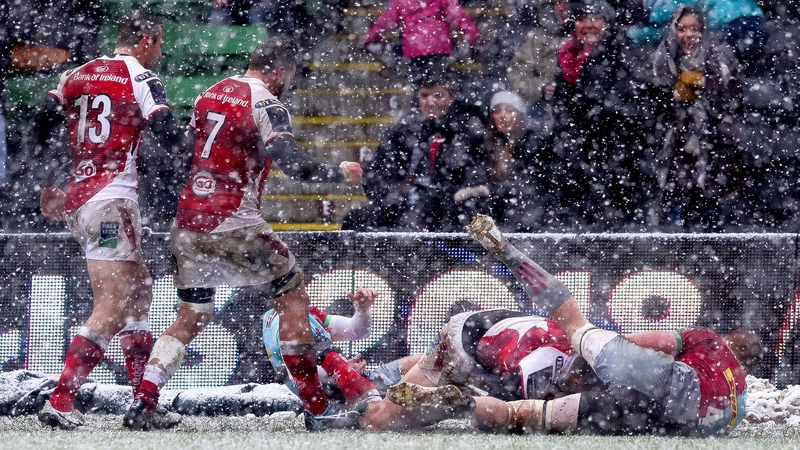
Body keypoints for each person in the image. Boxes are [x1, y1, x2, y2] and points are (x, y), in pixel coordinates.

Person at [123, 37, 366, 432]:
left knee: (190, 316)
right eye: (289, 75)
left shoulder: (210, 93)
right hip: (235, 222)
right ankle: (318, 408)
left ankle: (145, 400)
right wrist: (337, 173)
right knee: (293, 301)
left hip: (188, 223)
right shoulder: (268, 102)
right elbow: (288, 160)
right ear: (280, 71)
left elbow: (184, 151)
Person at [453, 214, 759, 436]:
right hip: (661, 419)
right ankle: (461, 404)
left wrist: (600, 346)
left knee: (574, 325)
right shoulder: (739, 404)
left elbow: (642, 342)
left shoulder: (710, 342)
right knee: (518, 414)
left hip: (664, 385)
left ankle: (507, 251)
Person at [32, 11, 190, 430]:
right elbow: (170, 133)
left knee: (139, 289)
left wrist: (47, 182)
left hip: (80, 201)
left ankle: (143, 403)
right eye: (159, 43)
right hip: (112, 203)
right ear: (147, 40)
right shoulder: (141, 77)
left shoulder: (77, 74)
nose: (160, 51)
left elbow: (40, 124)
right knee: (114, 304)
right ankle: (62, 399)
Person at [549, 0, 658, 231]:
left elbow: (631, 103)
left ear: (607, 22)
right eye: (581, 19)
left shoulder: (623, 51)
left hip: (615, 156)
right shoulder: (568, 54)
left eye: (595, 18)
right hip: (579, 155)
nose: (588, 25)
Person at [343, 71, 487, 232]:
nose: (430, 102)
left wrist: (430, 192)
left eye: (438, 96)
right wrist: (397, 191)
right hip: (402, 206)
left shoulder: (466, 129)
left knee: (421, 217)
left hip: (447, 210)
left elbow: (467, 175)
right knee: (354, 221)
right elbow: (379, 173)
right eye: (425, 96)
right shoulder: (403, 131)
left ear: (451, 98)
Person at [652, 6, 750, 232]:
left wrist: (709, 85)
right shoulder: (664, 55)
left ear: (703, 30)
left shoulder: (719, 52)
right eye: (682, 29)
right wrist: (672, 96)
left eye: (694, 28)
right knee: (676, 211)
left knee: (712, 213)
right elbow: (652, 96)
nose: (688, 35)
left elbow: (734, 95)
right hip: (676, 147)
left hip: (715, 145)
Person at [262, 288, 382, 406]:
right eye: (300, 290)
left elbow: (356, 331)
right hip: (330, 395)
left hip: (339, 384)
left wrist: (362, 308)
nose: (307, 297)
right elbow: (295, 370)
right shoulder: (283, 322)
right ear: (286, 296)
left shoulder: (303, 313)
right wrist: (342, 371)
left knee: (401, 368)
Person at [483, 91, 558, 231]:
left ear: (521, 115)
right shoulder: (488, 147)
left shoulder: (534, 145)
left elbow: (534, 186)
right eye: (497, 111)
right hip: (500, 222)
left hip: (531, 221)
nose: (503, 116)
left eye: (510, 110)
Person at [362, 0, 481, 82]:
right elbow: (456, 14)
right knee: (438, 82)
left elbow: (388, 19)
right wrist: (472, 35)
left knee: (419, 84)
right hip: (439, 44)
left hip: (414, 48)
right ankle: (439, 109)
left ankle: (421, 109)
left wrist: (371, 38)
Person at [506, 0, 570, 127]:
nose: (562, 7)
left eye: (567, 2)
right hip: (545, 111)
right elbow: (516, 75)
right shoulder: (538, 37)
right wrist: (541, 88)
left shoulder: (587, 34)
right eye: (557, 2)